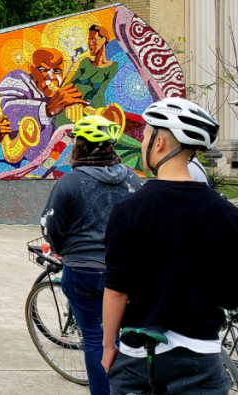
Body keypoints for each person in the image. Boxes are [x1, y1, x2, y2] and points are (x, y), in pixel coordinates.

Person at [101, 97, 238, 394]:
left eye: (146, 135)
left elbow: (116, 291)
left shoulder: (129, 211)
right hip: (203, 360)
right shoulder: (227, 214)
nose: (142, 144)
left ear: (160, 143)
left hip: (139, 359)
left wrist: (108, 344)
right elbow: (230, 294)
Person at [39, 115, 140, 395]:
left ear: (81, 147)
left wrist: (60, 249)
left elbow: (50, 225)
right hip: (126, 270)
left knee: (96, 338)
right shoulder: (132, 179)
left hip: (84, 270)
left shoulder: (70, 182)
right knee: (126, 335)